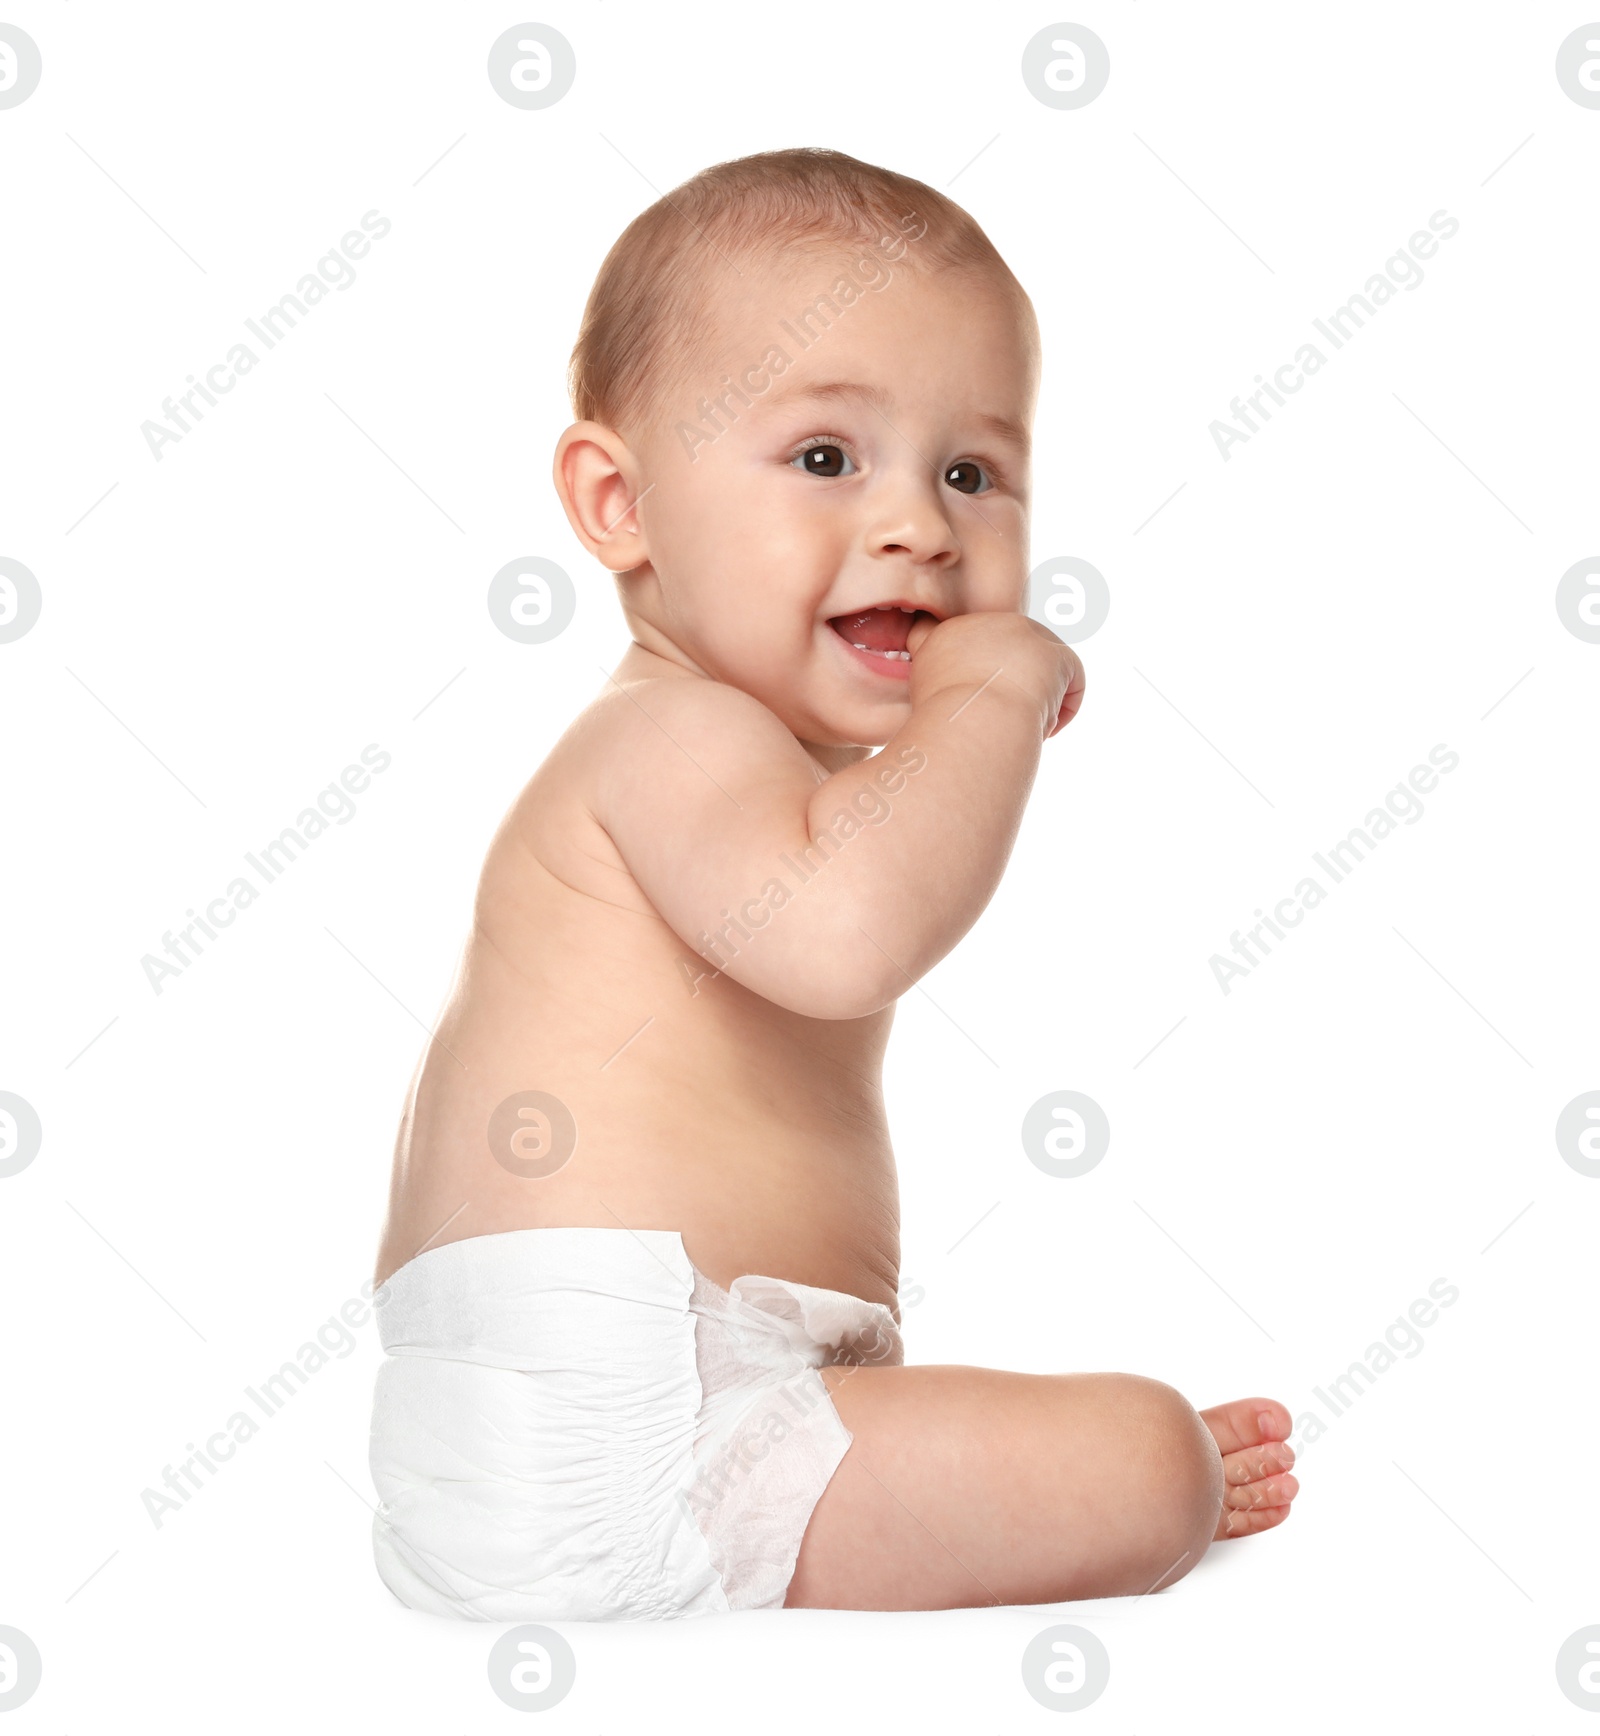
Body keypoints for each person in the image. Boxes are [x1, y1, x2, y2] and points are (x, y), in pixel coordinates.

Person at [368, 147, 1298, 1622]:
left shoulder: (768, 770)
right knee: (1135, 1461)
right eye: (824, 459)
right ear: (619, 503)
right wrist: (987, 697)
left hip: (680, 1396)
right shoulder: (669, 735)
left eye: (974, 473)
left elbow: (867, 873)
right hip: (615, 1415)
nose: (922, 526)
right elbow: (848, 932)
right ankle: (1136, 1477)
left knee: (1058, 1464)